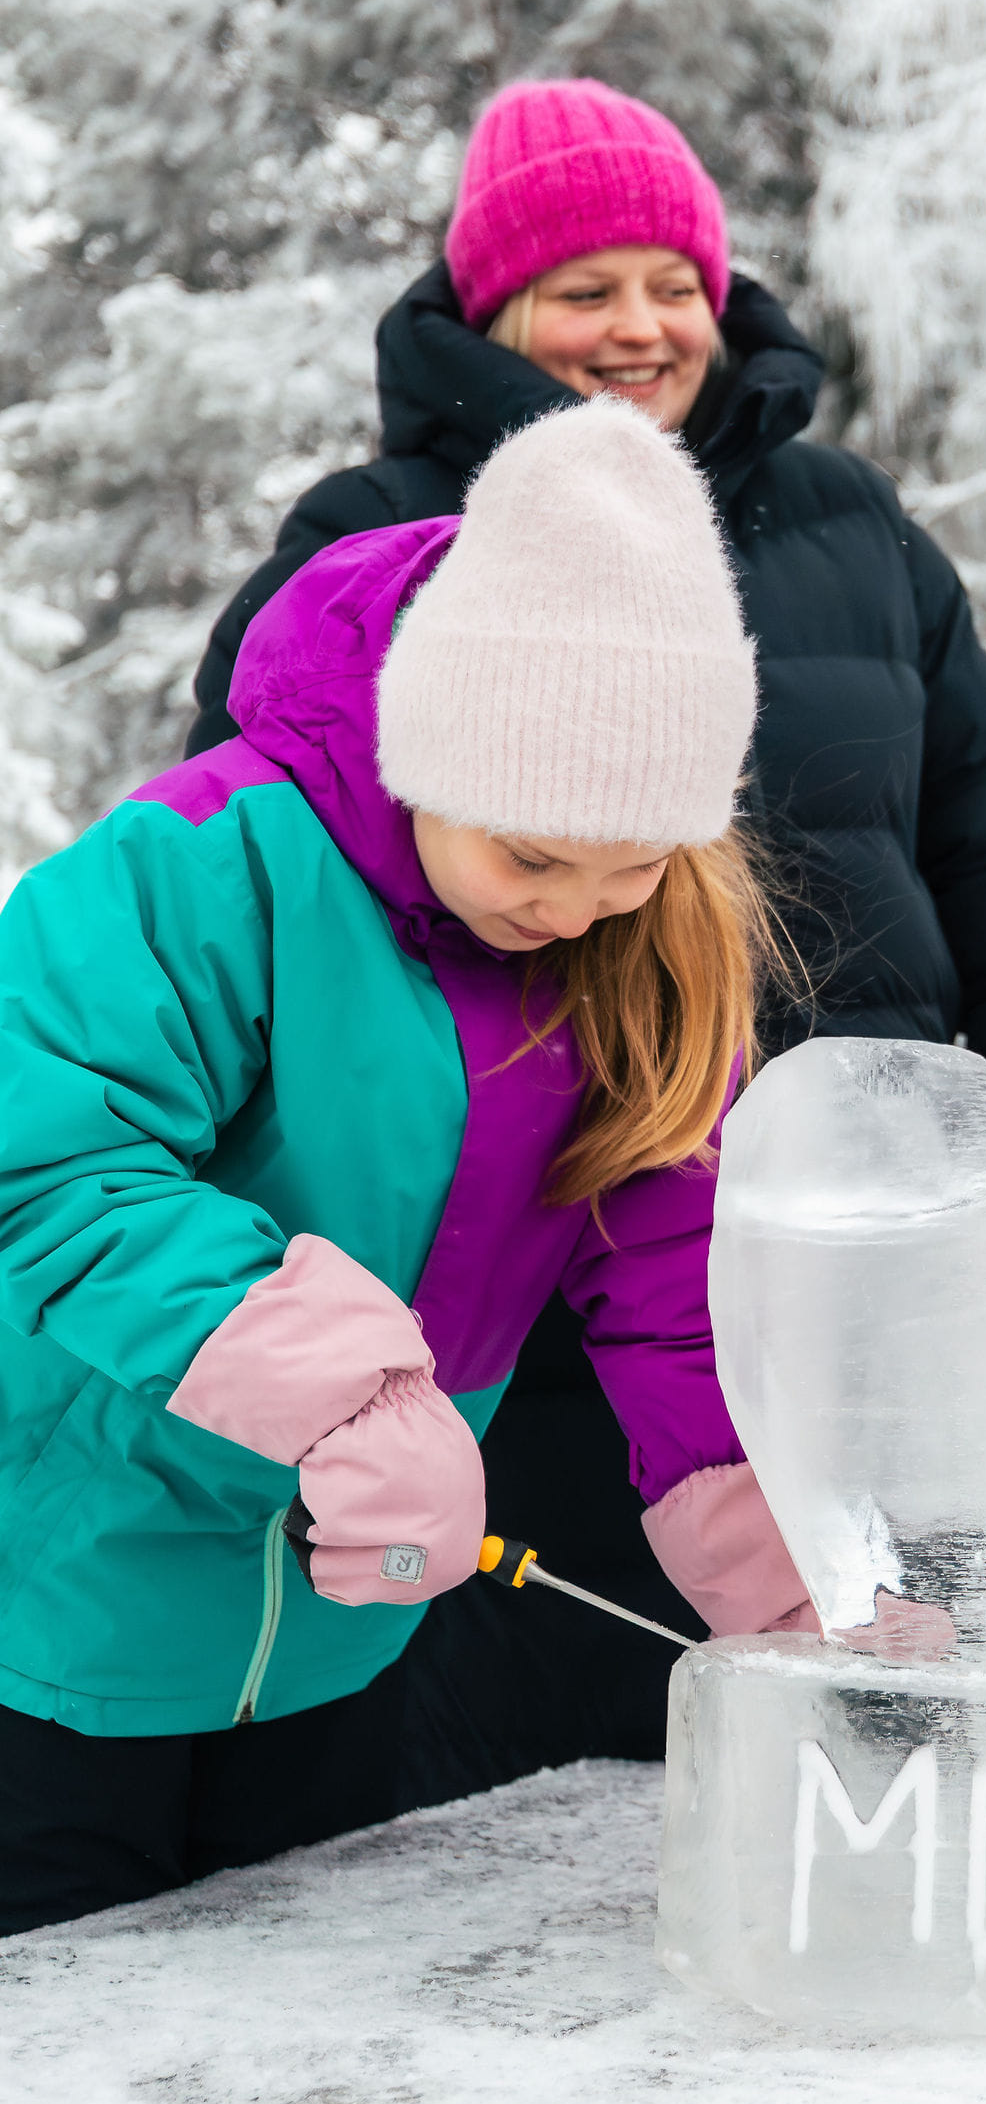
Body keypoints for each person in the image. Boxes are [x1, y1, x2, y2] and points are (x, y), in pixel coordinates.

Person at [184, 79, 986, 1804]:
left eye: (673, 285)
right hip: (542, 1224)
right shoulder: (379, 537)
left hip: (858, 1236)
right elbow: (272, 860)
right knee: (545, 1715)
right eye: (582, 290)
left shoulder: (852, 526)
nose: (640, 327)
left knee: (857, 1669)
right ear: (491, 311)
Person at [0, 399, 823, 1934]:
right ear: (429, 754)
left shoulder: (645, 947)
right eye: (531, 854)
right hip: (62, 1592)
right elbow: (49, 1161)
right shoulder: (210, 862)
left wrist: (779, 1574)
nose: (574, 909)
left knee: (290, 1991)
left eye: (632, 862)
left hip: (345, 1617)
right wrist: (359, 1400)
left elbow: (674, 1284)